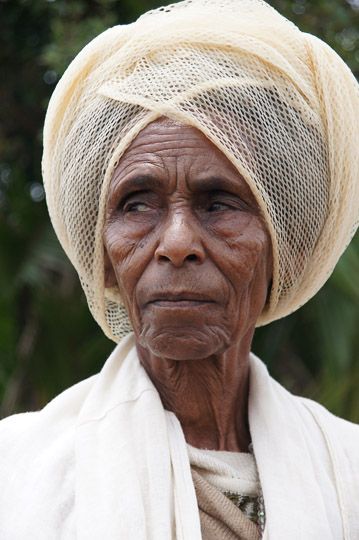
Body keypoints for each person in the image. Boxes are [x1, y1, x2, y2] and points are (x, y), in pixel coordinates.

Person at [1, 0, 359, 538]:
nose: (176, 244)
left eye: (219, 203)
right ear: (102, 254)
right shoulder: (18, 473)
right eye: (137, 204)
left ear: (283, 244)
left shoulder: (346, 469)